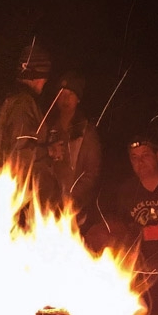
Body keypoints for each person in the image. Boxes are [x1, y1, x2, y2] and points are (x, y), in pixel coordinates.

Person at [89, 135, 158, 315]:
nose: (140, 161)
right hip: (141, 261)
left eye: (145, 155)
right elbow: (121, 227)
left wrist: (144, 234)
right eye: (134, 157)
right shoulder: (127, 190)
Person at [42, 72, 102, 221]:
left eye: (70, 94)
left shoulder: (86, 132)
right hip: (46, 205)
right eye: (61, 94)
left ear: (78, 99)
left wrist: (71, 198)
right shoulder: (46, 128)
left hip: (75, 209)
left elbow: (91, 172)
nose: (65, 99)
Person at [0, 41, 51, 173]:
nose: (45, 82)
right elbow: (20, 152)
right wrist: (49, 150)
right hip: (16, 183)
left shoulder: (7, 98)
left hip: (1, 178)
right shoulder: (22, 104)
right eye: (45, 77)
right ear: (37, 76)